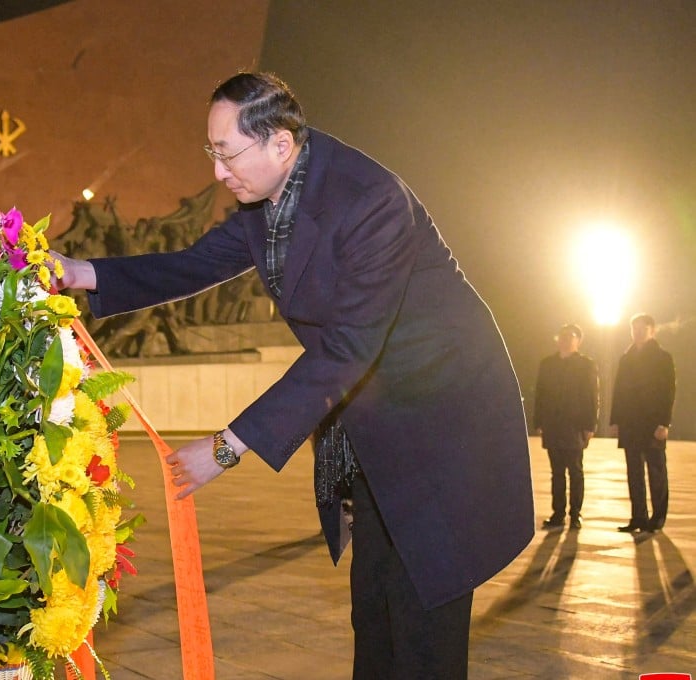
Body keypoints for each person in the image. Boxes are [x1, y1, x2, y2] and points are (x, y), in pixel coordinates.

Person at [53, 71, 534, 679]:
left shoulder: (370, 201)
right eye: (213, 152)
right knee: (377, 613)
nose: (218, 173)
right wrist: (82, 272)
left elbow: (346, 349)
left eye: (227, 154)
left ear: (280, 144)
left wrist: (226, 448)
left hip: (443, 430)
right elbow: (194, 264)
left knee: (423, 625)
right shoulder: (269, 200)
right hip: (381, 427)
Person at [610, 313, 676, 533]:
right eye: (634, 328)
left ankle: (657, 518)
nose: (637, 332)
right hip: (630, 424)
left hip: (652, 424)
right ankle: (638, 517)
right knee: (634, 472)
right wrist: (616, 420)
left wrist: (664, 423)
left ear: (652, 330)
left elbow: (669, 392)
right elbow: (618, 391)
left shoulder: (662, 358)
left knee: (656, 472)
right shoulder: (626, 358)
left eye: (642, 328)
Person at [533, 323, 599, 530]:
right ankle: (558, 513)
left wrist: (590, 425)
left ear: (578, 341)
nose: (565, 340)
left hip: (575, 426)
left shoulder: (586, 364)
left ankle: (575, 513)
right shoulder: (548, 364)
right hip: (553, 425)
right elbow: (540, 394)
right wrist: (538, 421)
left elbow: (592, 396)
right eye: (562, 336)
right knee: (557, 472)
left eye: (570, 336)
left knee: (576, 471)